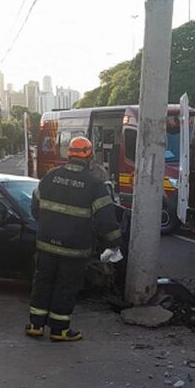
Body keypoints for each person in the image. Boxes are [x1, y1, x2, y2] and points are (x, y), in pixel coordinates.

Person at [27, 137, 123, 342]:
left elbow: (35, 208)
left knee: (42, 282)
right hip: (75, 249)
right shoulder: (94, 183)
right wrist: (113, 244)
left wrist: (49, 227)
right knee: (66, 286)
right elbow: (106, 219)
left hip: (45, 245)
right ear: (89, 156)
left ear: (69, 154)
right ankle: (59, 330)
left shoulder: (50, 177)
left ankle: (35, 325)